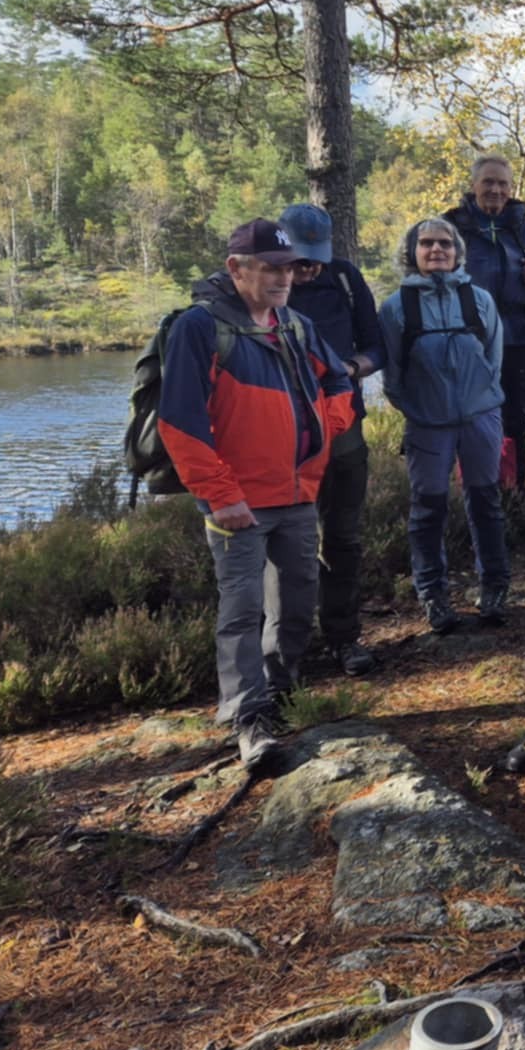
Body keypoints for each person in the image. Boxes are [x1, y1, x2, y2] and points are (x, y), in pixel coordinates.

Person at [160, 219, 356, 769]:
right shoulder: (199, 329)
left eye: (289, 268)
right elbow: (180, 422)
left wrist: (329, 424)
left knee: (297, 601)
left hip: (297, 493)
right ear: (237, 268)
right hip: (236, 502)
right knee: (242, 608)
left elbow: (339, 379)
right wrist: (221, 494)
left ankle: (281, 688)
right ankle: (249, 717)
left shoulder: (295, 323)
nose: (283, 278)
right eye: (270, 267)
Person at [380, 217, 511, 632]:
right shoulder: (396, 307)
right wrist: (420, 409)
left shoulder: (479, 300)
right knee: (427, 511)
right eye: (427, 244)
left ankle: (494, 587)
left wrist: (479, 402)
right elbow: (392, 375)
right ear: (412, 253)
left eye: (445, 244)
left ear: (457, 252)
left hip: (480, 417)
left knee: (485, 503)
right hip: (427, 424)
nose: (436, 250)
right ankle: (433, 596)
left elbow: (494, 358)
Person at [276, 203, 383, 678]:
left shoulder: (345, 279)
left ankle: (344, 638)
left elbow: (377, 346)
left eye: (315, 257)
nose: (308, 268)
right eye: (299, 258)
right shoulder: (266, 283)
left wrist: (353, 368)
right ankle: (285, 654)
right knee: (285, 543)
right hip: (281, 435)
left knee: (342, 537)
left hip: (343, 428)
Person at [443, 155, 525, 485]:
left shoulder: (521, 225)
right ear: (474, 185)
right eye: (488, 182)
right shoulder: (453, 226)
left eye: (503, 183)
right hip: (468, 339)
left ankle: (516, 491)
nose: (496, 190)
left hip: (517, 336)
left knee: (518, 416)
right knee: (471, 415)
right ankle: (476, 488)